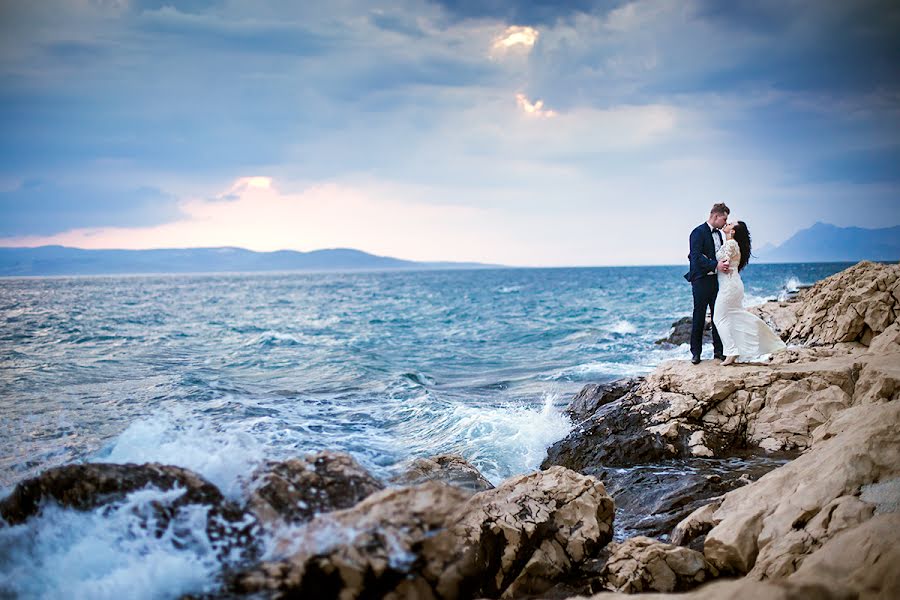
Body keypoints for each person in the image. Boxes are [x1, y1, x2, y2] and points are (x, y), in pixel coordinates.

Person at [713, 221, 787, 365]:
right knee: (735, 316)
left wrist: (721, 264)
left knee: (719, 318)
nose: (726, 224)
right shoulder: (732, 244)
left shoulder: (731, 244)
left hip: (729, 285)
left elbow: (725, 261)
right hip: (733, 285)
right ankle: (755, 338)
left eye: (730, 223)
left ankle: (731, 352)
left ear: (732, 231)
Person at [685, 203, 732, 364]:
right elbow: (696, 256)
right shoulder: (697, 232)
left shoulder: (718, 235)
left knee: (717, 316)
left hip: (716, 280)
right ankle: (696, 353)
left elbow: (716, 255)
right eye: (724, 219)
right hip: (700, 280)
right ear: (716, 216)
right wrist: (715, 265)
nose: (725, 223)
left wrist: (724, 264)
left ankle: (719, 352)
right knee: (699, 316)